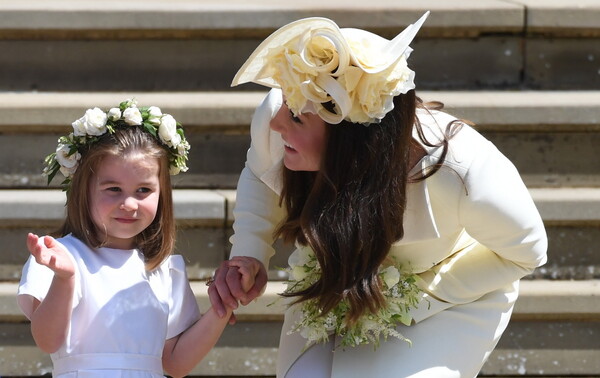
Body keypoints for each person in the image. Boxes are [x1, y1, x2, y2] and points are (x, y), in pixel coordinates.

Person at [209, 12, 548, 378]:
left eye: (296, 118)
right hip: (337, 276)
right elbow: (261, 176)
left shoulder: (462, 170)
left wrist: (410, 300)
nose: (277, 124)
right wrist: (249, 251)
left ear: (350, 139)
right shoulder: (278, 115)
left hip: (448, 297)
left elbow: (527, 253)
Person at [17, 99, 250, 377]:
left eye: (143, 190)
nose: (129, 204)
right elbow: (48, 340)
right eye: (113, 189)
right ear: (83, 189)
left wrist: (222, 306)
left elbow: (175, 362)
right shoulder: (61, 258)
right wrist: (65, 279)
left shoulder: (164, 268)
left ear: (162, 192)